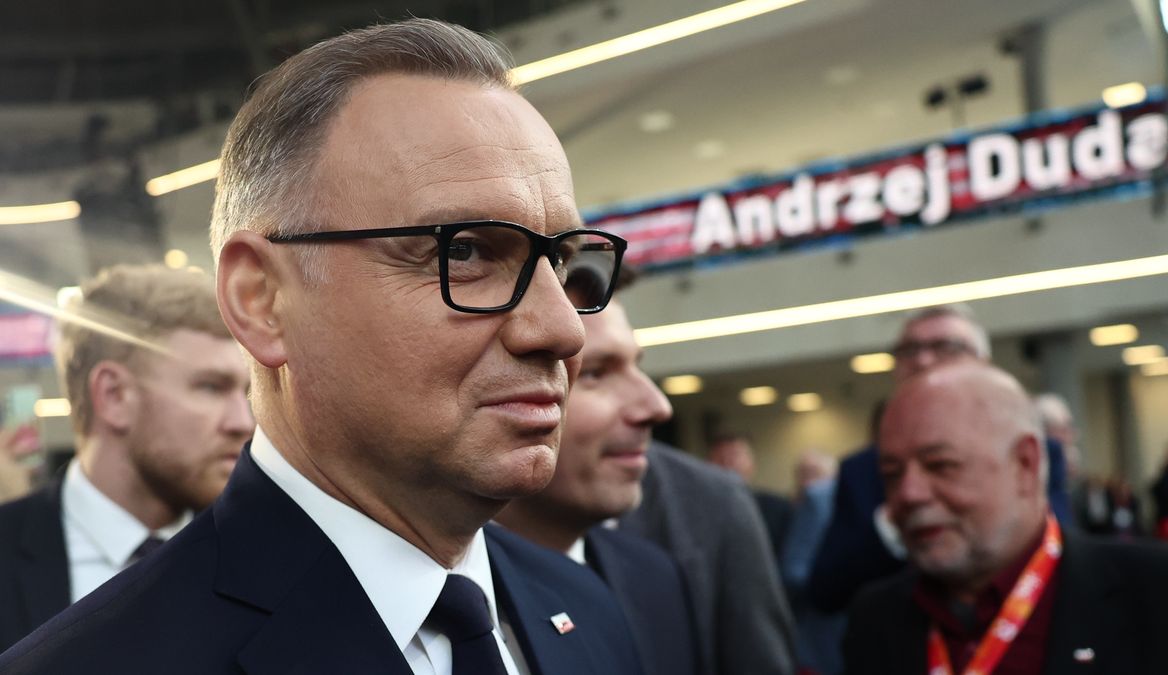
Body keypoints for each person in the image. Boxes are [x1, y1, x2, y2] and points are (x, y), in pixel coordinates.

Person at [0, 20, 645, 675]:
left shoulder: (588, 610)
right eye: (465, 250)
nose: (563, 330)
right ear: (262, 299)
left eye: (560, 262)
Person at [843, 362, 1168, 674]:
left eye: (941, 466)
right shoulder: (875, 620)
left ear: (1026, 465)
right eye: (891, 474)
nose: (909, 494)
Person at [0, 264, 253, 652]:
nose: (243, 422)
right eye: (210, 387)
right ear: (114, 395)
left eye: (245, 392)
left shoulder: (263, 555)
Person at [810, 304, 1074, 613]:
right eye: (908, 350)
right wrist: (892, 525)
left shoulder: (1034, 450)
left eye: (945, 346)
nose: (923, 360)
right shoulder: (860, 471)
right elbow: (826, 590)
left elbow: (1054, 546)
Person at [495, 285, 697, 675]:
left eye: (637, 365)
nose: (656, 406)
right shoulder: (446, 599)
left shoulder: (655, 578)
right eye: (595, 373)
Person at [621, 441, 796, 675]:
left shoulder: (728, 500)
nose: (730, 463)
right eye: (723, 456)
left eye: (737, 456)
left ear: (752, 464)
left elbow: (757, 646)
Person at [778, 452, 843, 675]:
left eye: (815, 474)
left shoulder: (832, 501)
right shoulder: (809, 503)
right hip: (820, 644)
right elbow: (793, 572)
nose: (808, 482)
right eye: (802, 474)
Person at [707, 433, 792, 554]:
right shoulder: (698, 509)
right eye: (720, 456)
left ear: (752, 463)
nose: (727, 462)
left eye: (735, 455)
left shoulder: (778, 508)